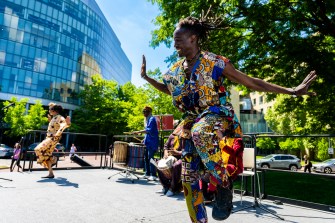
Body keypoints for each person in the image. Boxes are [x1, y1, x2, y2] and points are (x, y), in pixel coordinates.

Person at [140, 16, 317, 222]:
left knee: (200, 131)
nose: (174, 44)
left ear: (193, 38)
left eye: (178, 40)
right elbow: (168, 90)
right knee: (188, 179)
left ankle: (223, 184)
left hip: (217, 115)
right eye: (173, 40)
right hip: (192, 121)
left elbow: (251, 82)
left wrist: (292, 91)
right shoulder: (176, 70)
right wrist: (147, 78)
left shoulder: (215, 62)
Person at [34, 103, 71, 178]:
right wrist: (50, 120)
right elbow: (54, 126)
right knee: (46, 155)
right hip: (49, 138)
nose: (49, 111)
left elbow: (64, 124)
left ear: (54, 110)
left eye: (50, 109)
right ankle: (51, 173)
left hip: (52, 138)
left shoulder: (59, 117)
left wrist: (68, 123)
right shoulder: (54, 118)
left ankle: (53, 159)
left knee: (37, 149)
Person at [132, 106, 159, 181]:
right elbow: (148, 133)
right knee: (146, 158)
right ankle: (147, 173)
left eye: (145, 111)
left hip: (152, 142)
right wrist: (144, 139)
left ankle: (153, 175)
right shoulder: (147, 119)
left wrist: (138, 132)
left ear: (149, 112)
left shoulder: (152, 119)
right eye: (143, 111)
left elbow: (149, 130)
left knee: (151, 158)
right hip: (148, 142)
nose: (144, 113)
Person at [157, 131, 183, 197]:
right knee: (158, 163)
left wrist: (177, 152)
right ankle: (165, 186)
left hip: (181, 158)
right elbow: (166, 146)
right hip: (170, 157)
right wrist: (165, 153)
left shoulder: (185, 137)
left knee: (176, 165)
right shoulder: (172, 136)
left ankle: (172, 188)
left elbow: (187, 151)